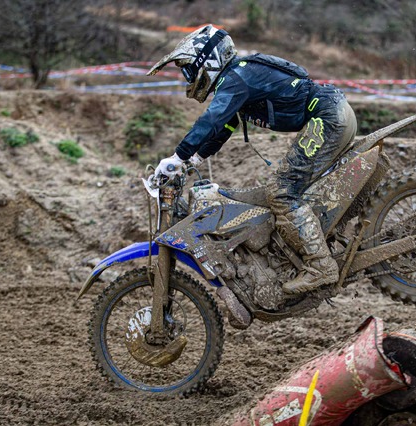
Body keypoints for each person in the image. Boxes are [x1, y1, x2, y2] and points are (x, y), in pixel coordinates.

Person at [147, 25, 357, 294]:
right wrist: (193, 160)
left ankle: (320, 265)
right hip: (332, 113)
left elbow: (212, 119)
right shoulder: (239, 77)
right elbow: (223, 127)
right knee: (293, 189)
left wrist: (178, 155)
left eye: (189, 69)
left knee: (282, 192)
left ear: (207, 61)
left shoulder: (236, 78)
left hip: (326, 117)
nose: (189, 77)